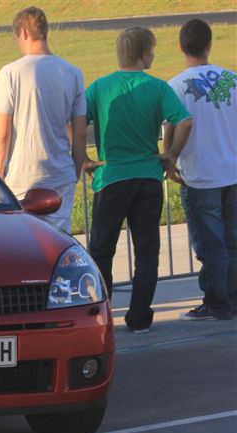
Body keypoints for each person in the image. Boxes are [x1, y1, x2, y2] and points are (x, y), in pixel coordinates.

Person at [84, 27, 192, 334]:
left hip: (111, 176)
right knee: (147, 250)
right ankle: (140, 315)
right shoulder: (157, 88)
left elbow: (75, 121)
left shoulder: (100, 87)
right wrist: (170, 154)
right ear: (144, 54)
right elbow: (184, 121)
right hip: (147, 177)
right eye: (153, 50)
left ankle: (101, 315)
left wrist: (82, 157)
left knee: (102, 250)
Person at [0, 6, 88, 233]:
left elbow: (2, 132)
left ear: (23, 32)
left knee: (20, 242)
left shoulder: (10, 72)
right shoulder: (73, 72)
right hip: (60, 173)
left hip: (22, 175)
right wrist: (74, 171)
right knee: (58, 242)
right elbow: (80, 132)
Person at [165, 19, 237, 321]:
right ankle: (230, 298)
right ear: (209, 45)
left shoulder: (177, 85)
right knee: (231, 241)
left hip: (201, 175)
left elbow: (173, 123)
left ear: (181, 46)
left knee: (210, 244)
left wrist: (169, 157)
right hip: (232, 171)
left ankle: (217, 303)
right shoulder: (232, 79)